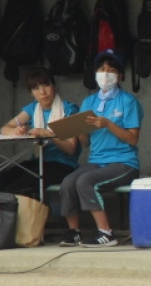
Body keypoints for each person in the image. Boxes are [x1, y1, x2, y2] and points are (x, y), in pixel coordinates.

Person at [59, 49, 143, 248]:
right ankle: (74, 232)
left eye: (111, 70)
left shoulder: (128, 101)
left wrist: (107, 124)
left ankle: (106, 233)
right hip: (97, 161)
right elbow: (86, 143)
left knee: (86, 181)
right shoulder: (89, 101)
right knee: (67, 182)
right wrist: (78, 128)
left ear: (120, 76)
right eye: (101, 69)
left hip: (124, 163)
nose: (105, 73)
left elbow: (132, 139)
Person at [0, 67, 81, 198]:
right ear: (31, 93)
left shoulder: (69, 109)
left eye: (46, 85)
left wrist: (48, 134)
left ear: (54, 85)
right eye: (36, 88)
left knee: (16, 188)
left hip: (62, 164)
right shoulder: (33, 108)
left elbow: (71, 148)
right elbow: (4, 128)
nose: (42, 92)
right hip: (38, 161)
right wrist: (16, 130)